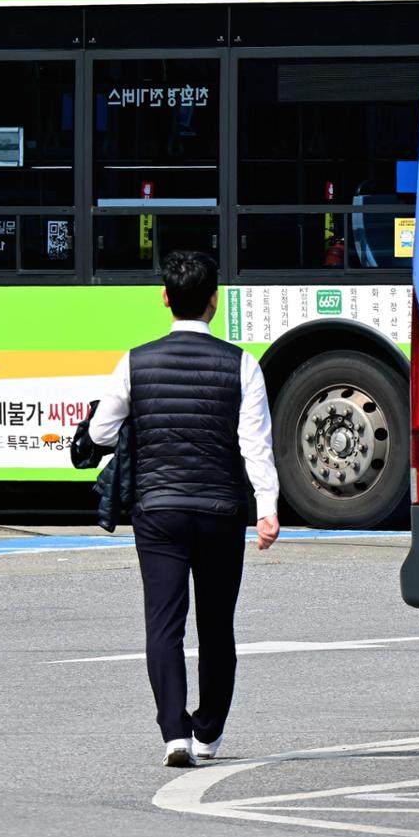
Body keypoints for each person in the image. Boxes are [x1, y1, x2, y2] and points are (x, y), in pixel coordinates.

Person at [86, 250, 281, 767]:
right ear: (214, 302)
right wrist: (268, 509)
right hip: (219, 511)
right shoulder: (242, 364)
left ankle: (174, 734)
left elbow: (101, 433)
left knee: (164, 625)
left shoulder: (134, 361)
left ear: (165, 299)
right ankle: (207, 734)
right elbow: (255, 445)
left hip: (158, 510)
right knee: (217, 627)